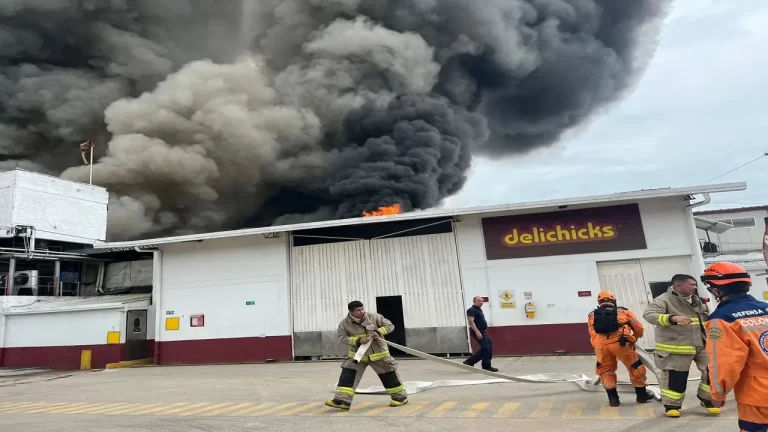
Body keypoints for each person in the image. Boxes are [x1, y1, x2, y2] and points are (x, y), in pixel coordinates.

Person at [702, 262, 768, 432]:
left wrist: (718, 393)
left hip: (758, 394)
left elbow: (724, 363)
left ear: (716, 290)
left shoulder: (722, 319)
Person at [643, 274, 720, 418]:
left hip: (701, 343)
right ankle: (672, 405)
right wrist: (672, 318)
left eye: (695, 285)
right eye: (692, 284)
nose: (695, 287)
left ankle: (707, 399)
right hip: (676, 346)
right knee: (676, 377)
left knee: (713, 371)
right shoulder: (663, 299)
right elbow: (649, 315)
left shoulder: (697, 300)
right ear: (679, 286)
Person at [325, 301, 409, 410]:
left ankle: (400, 398)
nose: (362, 312)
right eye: (358, 310)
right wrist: (358, 341)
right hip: (357, 356)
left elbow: (389, 325)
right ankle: (342, 401)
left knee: (389, 376)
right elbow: (342, 338)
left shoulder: (374, 317)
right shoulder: (344, 323)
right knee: (348, 376)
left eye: (362, 309)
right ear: (351, 312)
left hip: (379, 354)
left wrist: (378, 332)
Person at [588, 291, 654, 407]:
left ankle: (613, 399)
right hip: (621, 344)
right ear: (614, 300)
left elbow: (591, 332)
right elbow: (639, 328)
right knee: (635, 367)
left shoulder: (592, 315)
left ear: (599, 302)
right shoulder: (623, 311)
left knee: (606, 370)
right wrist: (634, 338)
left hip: (601, 347)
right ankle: (642, 396)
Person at [463, 296, 498, 372]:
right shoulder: (471, 310)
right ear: (474, 301)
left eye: (482, 301)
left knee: (489, 348)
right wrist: (477, 332)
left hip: (483, 331)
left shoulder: (479, 310)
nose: (481, 302)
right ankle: (471, 362)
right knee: (486, 348)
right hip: (478, 332)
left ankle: (485, 365)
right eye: (479, 301)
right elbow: (471, 322)